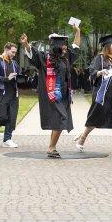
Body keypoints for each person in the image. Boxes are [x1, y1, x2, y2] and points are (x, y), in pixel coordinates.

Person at [20, 25, 81, 158]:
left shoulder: (66, 58)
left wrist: (78, 31)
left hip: (63, 95)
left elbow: (76, 46)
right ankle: (51, 147)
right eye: (63, 47)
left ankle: (52, 147)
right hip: (51, 94)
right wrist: (26, 44)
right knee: (61, 118)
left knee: (58, 120)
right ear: (56, 47)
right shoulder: (45, 58)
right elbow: (33, 54)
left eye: (66, 46)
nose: (66, 48)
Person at [74, 34, 112, 154]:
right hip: (102, 96)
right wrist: (99, 72)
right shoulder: (100, 58)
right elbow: (91, 72)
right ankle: (82, 139)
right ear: (107, 46)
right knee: (94, 119)